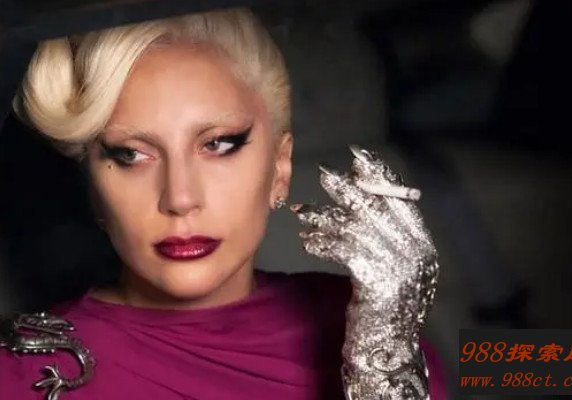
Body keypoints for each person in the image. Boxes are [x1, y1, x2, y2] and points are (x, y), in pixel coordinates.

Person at [0, 7, 447, 400]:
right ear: (94, 185)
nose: (180, 198)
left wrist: (382, 362)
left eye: (217, 144)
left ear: (280, 167)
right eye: (131, 155)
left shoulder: (366, 320)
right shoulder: (27, 372)